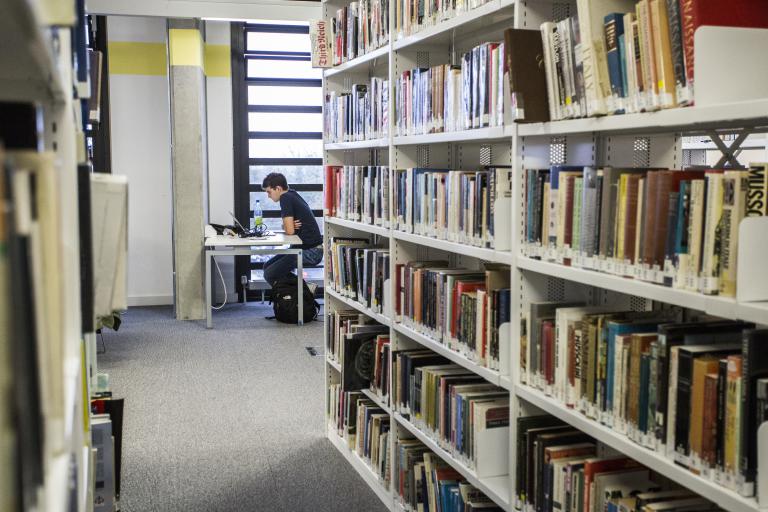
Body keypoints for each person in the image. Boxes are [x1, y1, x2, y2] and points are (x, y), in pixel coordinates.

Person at [261, 172, 323, 286]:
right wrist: (286, 226)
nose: (268, 196)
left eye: (269, 192)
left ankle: (303, 291)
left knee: (269, 274)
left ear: (278, 188)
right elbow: (288, 228)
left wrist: (287, 226)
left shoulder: (285, 198)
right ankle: (302, 289)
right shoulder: (291, 194)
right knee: (267, 267)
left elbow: (289, 231)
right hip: (305, 248)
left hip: (311, 252)